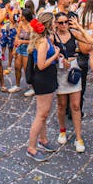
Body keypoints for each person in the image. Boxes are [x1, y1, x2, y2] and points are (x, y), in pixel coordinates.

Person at [53, 13, 93, 153]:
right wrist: (57, 55)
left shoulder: (73, 32)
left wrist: (79, 27)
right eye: (61, 22)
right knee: (61, 105)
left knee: (76, 106)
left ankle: (79, 137)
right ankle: (62, 130)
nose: (64, 25)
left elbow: (90, 41)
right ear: (56, 24)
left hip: (73, 69)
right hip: (59, 71)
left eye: (66, 22)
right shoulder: (53, 36)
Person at [26, 12, 59, 162]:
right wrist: (55, 55)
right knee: (41, 114)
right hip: (43, 79)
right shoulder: (43, 42)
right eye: (54, 22)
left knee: (43, 113)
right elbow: (41, 65)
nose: (56, 24)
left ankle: (43, 140)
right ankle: (31, 148)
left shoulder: (44, 39)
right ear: (48, 24)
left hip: (46, 78)